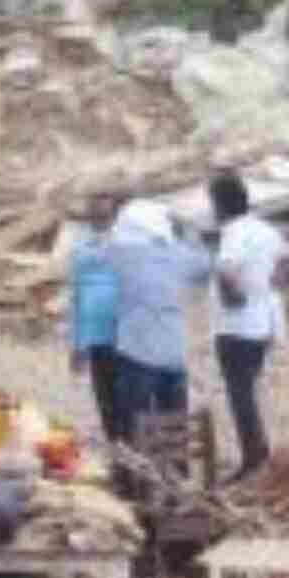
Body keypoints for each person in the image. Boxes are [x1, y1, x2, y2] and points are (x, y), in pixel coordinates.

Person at [101, 199, 212, 464]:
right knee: (173, 423)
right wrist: (189, 233)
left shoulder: (119, 254)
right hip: (173, 354)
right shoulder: (178, 255)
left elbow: (104, 246)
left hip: (135, 354)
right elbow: (207, 264)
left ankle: (138, 485)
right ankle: (177, 482)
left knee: (133, 425)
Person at [208, 171, 289, 483]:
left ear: (220, 204)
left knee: (240, 393)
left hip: (236, 326)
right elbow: (286, 257)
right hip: (262, 323)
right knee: (250, 389)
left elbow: (225, 269)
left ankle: (253, 458)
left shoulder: (233, 232)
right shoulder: (265, 229)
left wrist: (232, 297)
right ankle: (259, 451)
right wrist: (273, 284)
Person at [67, 192, 126, 444]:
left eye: (104, 216)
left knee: (130, 404)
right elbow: (77, 297)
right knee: (106, 403)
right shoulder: (82, 249)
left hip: (127, 338)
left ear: (114, 217)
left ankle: (135, 464)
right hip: (96, 338)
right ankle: (118, 459)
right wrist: (77, 344)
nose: (98, 220)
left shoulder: (129, 247)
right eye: (94, 215)